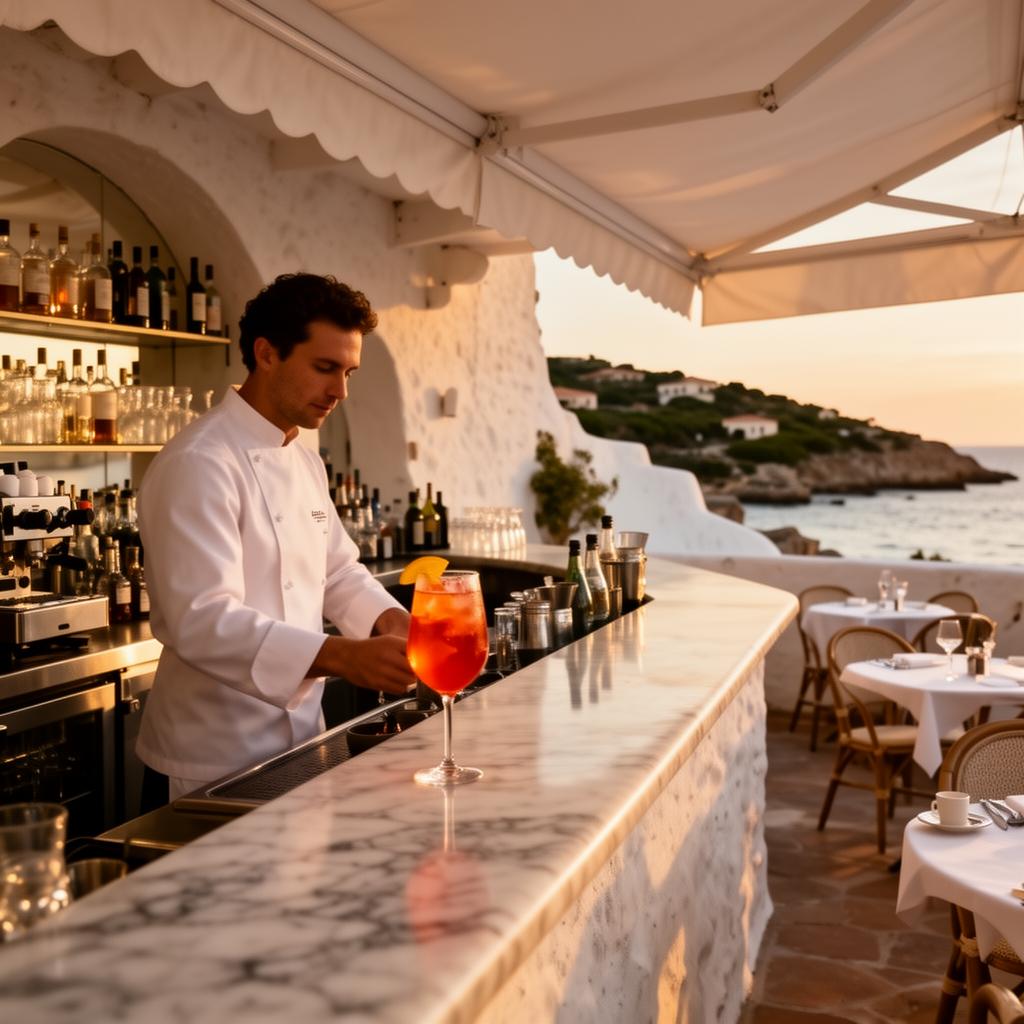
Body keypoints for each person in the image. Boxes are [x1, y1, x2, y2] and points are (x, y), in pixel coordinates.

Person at [136, 273, 414, 802]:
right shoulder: (199, 462)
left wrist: (391, 621)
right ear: (266, 354)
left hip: (302, 745)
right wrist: (343, 656)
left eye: (349, 372)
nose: (340, 391)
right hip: (209, 762)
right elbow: (202, 618)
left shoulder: (305, 460)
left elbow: (337, 571)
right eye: (325, 368)